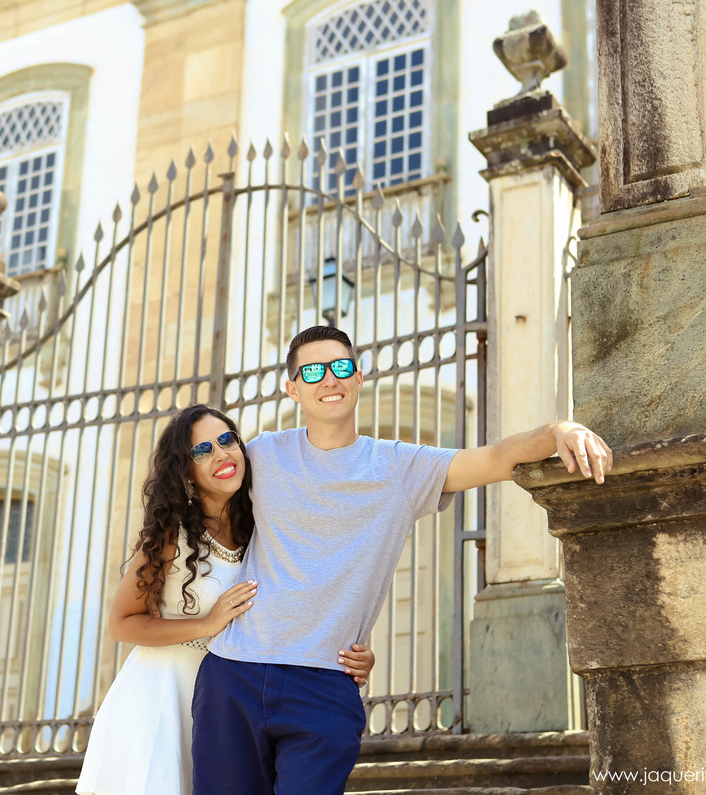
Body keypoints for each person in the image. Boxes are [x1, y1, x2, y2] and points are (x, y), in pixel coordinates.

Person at [194, 325, 613, 795]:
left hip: (324, 684)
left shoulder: (399, 467)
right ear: (293, 388)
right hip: (233, 673)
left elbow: (496, 458)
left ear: (358, 377)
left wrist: (560, 430)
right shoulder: (262, 454)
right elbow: (196, 508)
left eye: (341, 367)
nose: (329, 379)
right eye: (311, 371)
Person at [76, 404, 375, 795]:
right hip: (164, 696)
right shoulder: (171, 535)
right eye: (202, 451)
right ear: (186, 470)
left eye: (226, 440)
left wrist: (353, 653)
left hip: (234, 703)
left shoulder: (264, 527)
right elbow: (121, 623)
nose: (220, 454)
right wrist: (206, 624)